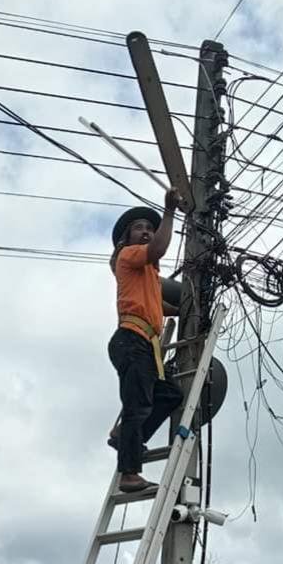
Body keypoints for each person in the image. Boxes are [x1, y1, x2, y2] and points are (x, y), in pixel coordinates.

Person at [108, 190, 184, 493]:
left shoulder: (148, 274)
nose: (147, 232)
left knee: (169, 395)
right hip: (132, 340)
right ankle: (129, 474)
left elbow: (158, 307)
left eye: (149, 228)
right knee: (136, 407)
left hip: (144, 344)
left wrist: (185, 309)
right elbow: (158, 249)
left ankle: (125, 436)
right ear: (127, 237)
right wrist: (168, 213)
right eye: (140, 227)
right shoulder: (130, 256)